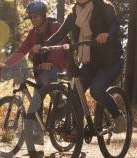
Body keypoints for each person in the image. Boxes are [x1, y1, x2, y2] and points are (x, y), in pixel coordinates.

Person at [36, 0, 126, 133]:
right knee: (75, 93)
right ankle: (76, 128)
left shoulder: (104, 7)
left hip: (110, 61)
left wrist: (107, 35)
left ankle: (118, 116)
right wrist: (45, 45)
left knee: (96, 90)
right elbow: (60, 34)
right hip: (89, 63)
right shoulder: (74, 14)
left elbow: (114, 25)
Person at [0, 1, 67, 146]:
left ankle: (61, 105)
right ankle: (39, 134)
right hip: (41, 69)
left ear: (44, 15)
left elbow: (61, 46)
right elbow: (21, 50)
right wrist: (6, 64)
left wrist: (51, 62)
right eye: (31, 17)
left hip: (58, 66)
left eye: (36, 16)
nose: (33, 20)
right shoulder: (32, 33)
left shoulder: (55, 26)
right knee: (38, 94)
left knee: (38, 95)